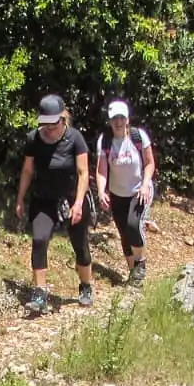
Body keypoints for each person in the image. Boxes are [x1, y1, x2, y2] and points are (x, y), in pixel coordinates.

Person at [14, 94, 94, 314]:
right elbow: (28, 170)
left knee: (80, 245)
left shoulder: (75, 138)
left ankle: (86, 286)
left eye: (53, 123)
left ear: (62, 119)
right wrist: (20, 198)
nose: (48, 128)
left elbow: (83, 172)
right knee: (39, 240)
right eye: (45, 124)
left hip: (70, 198)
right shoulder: (33, 139)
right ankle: (40, 293)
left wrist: (78, 203)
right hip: (43, 198)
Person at [96, 100, 155, 286]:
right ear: (110, 121)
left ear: (127, 119)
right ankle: (133, 274)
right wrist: (100, 191)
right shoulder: (105, 142)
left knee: (133, 225)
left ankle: (140, 264)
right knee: (124, 234)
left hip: (139, 191)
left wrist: (145, 184)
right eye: (115, 119)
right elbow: (101, 170)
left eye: (121, 118)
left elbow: (150, 163)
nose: (118, 122)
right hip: (117, 194)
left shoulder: (138, 137)